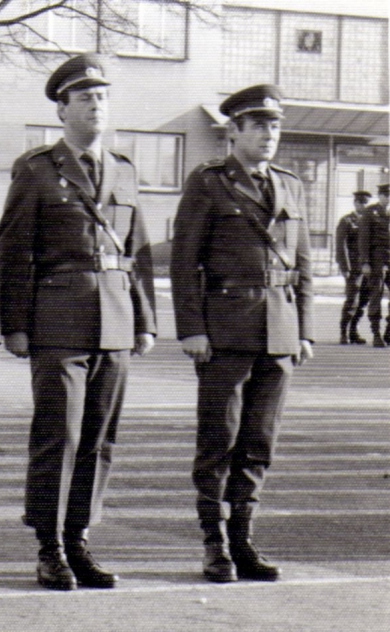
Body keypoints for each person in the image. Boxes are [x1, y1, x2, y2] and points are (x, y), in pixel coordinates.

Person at [0, 53, 156, 591]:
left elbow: (137, 251)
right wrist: (14, 324)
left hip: (115, 318)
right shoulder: (37, 168)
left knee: (99, 437)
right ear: (61, 110)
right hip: (57, 319)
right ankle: (49, 546)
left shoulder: (124, 170)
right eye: (85, 98)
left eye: (102, 97)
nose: (96, 105)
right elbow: (14, 249)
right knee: (58, 434)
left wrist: (145, 320)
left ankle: (79, 538)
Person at [170, 84, 314, 583]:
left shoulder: (289, 185)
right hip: (226, 330)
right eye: (258, 126)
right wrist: (191, 328)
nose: (268, 135)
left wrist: (305, 330)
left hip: (280, 332)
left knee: (259, 442)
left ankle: (243, 540)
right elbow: (184, 260)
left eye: (275, 126)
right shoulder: (209, 182)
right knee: (219, 440)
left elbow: (302, 264)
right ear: (234, 131)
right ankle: (214, 543)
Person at [335, 190, 372, 344]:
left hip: (368, 268)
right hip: (354, 268)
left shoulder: (370, 221)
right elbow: (341, 245)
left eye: (365, 203)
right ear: (355, 203)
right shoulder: (347, 221)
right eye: (360, 202)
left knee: (363, 300)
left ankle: (353, 331)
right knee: (352, 300)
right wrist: (345, 268)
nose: (363, 205)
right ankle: (343, 332)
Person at [358, 183, 390, 347]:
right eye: (387, 195)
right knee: (376, 295)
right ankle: (376, 332)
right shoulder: (370, 212)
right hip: (376, 258)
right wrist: (365, 262)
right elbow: (363, 239)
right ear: (381, 196)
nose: (389, 199)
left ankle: (389, 331)